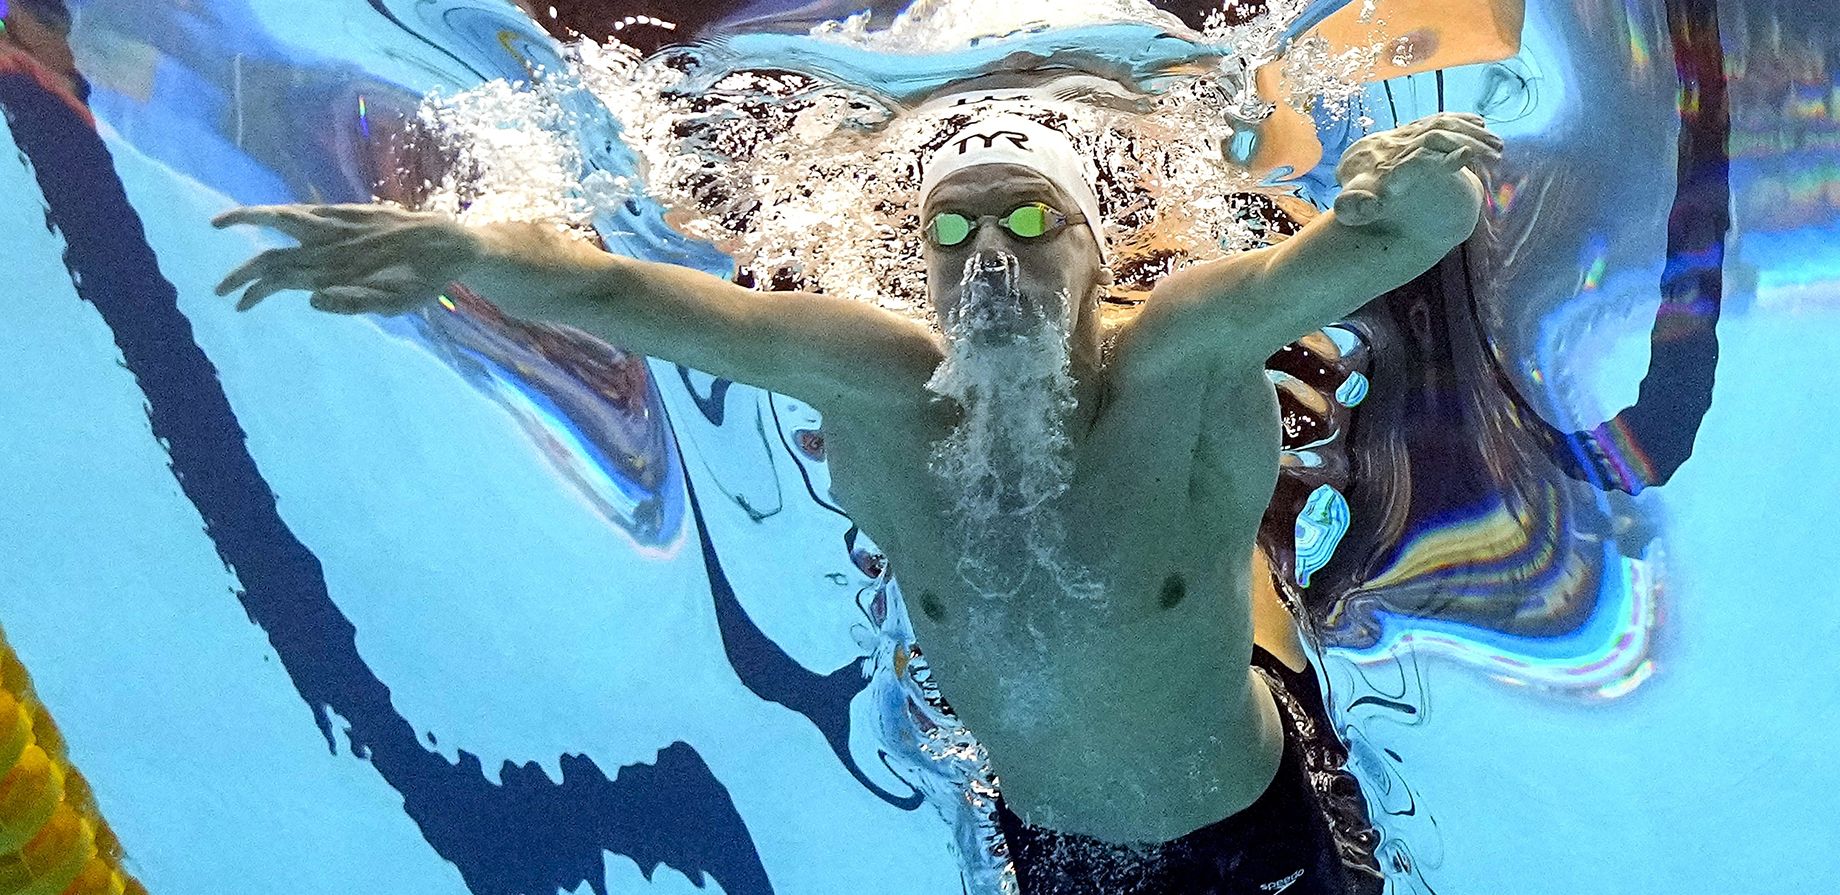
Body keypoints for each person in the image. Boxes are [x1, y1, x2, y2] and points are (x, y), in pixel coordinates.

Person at [213, 108, 1499, 894]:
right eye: (952, 231)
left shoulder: (1175, 351)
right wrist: (470, 251)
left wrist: (1418, 183)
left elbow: (1377, 245)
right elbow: (627, 301)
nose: (987, 253)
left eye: (1029, 220)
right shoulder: (878, 378)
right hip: (1048, 847)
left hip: (1254, 824)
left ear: (1093, 253)